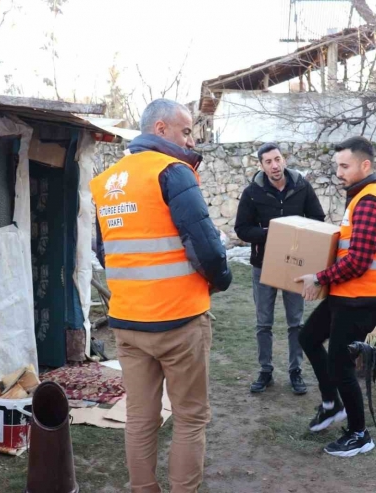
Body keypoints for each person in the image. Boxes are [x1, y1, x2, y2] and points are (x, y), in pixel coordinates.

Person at [91, 98, 232, 493]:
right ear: (161, 129)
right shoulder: (173, 171)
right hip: (179, 320)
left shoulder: (107, 182)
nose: (190, 139)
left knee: (140, 418)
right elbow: (205, 245)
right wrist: (221, 280)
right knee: (189, 418)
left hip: (128, 323)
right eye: (185, 130)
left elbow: (105, 250)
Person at [294, 136, 376, 457]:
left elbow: (358, 261)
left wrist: (319, 278)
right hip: (346, 295)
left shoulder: (370, 201)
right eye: (337, 165)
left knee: (340, 364)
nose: (338, 172)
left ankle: (359, 434)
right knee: (309, 337)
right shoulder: (360, 196)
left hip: (362, 300)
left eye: (344, 166)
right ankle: (332, 405)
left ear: (364, 165)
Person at [234, 143, 325, 395]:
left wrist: (297, 231)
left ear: (283, 160)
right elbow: (242, 229)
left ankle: (295, 371)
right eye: (268, 161)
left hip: (296, 266)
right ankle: (265, 370)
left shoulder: (301, 186)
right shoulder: (252, 192)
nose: (274, 165)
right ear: (261, 165)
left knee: (296, 322)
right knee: (264, 323)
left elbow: (318, 218)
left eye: (277, 159)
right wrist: (272, 233)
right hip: (263, 267)